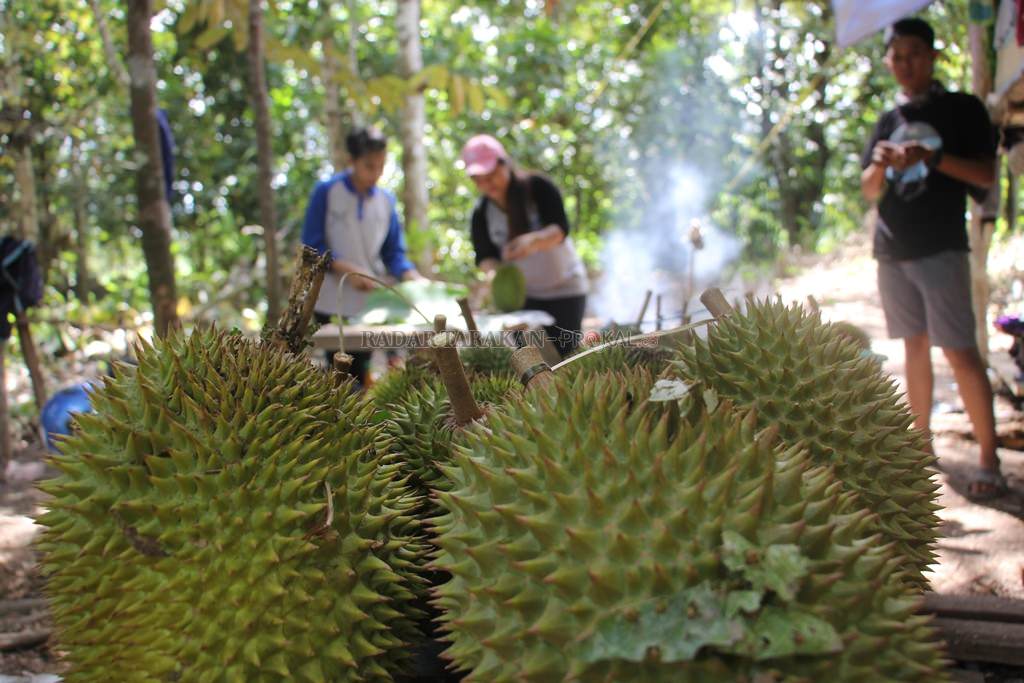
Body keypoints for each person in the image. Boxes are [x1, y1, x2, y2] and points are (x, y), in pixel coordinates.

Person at [861, 18, 1003, 499]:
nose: (905, 64)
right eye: (897, 56)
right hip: (891, 250)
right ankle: (920, 451)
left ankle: (988, 459)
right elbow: (869, 191)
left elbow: (985, 175)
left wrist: (932, 157)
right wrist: (880, 163)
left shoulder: (962, 109)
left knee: (960, 352)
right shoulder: (886, 120)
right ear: (888, 62)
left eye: (915, 53)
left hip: (941, 247)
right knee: (913, 348)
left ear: (934, 55)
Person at [302, 126, 421, 386]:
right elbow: (312, 245)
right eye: (369, 166)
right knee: (340, 375)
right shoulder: (327, 192)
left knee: (365, 370)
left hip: (370, 302)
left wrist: (413, 278)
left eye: (381, 166)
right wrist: (345, 269)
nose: (376, 173)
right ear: (352, 161)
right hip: (330, 299)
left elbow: (393, 253)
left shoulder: (386, 201)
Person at [460, 134, 588, 358]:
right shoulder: (481, 213)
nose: (487, 183)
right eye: (478, 178)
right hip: (524, 300)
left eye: (491, 175)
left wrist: (534, 241)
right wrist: (494, 275)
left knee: (564, 359)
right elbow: (485, 256)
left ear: (505, 163)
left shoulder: (538, 187)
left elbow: (560, 228)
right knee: (531, 362)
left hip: (566, 290)